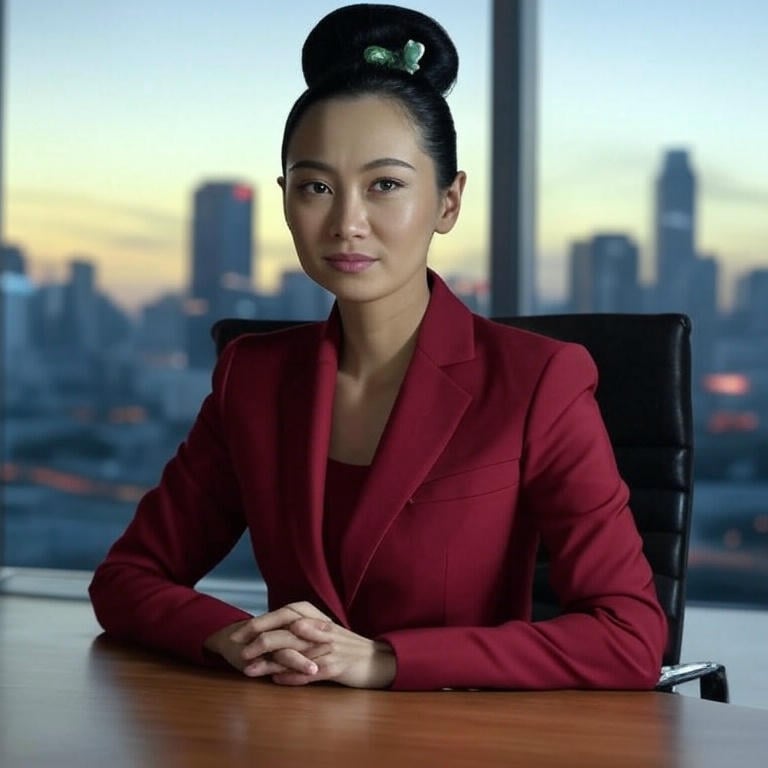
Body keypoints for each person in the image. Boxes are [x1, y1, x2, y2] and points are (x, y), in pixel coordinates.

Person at [89, 3, 667, 691]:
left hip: (464, 738)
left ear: (448, 203)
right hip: (292, 739)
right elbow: (126, 579)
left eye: (385, 185)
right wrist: (229, 636)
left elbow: (629, 637)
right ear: (285, 200)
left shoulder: (538, 379)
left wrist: (386, 659)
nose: (346, 223)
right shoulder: (253, 377)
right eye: (315, 187)